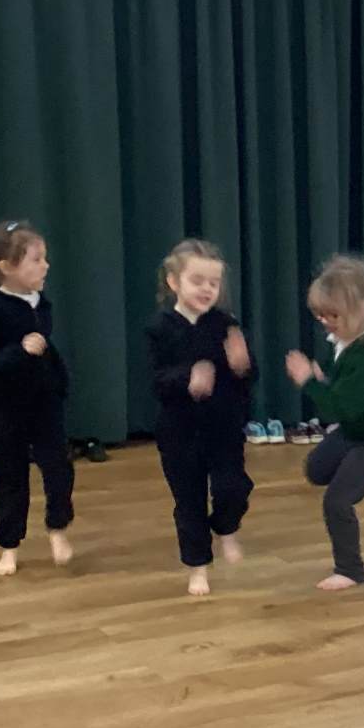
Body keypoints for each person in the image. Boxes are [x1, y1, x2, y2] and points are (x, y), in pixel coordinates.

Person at [0, 220, 74, 577]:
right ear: (7, 267)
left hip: (44, 405)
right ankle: (9, 545)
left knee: (58, 468)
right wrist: (19, 351)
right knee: (8, 478)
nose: (45, 266)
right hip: (3, 411)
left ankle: (58, 528)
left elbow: (46, 351)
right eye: (36, 260)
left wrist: (58, 381)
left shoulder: (42, 302)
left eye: (45, 258)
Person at [285, 255, 364, 591]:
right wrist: (324, 377)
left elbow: (343, 407)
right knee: (315, 470)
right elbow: (342, 383)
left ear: (362, 310)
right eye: (320, 315)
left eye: (332, 315)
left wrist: (309, 381)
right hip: (356, 427)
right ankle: (350, 469)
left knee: (337, 501)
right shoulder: (344, 340)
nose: (325, 322)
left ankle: (350, 570)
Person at [148, 240, 255, 597]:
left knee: (234, 489)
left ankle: (226, 527)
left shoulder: (225, 324)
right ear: (173, 282)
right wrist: (187, 379)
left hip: (223, 427)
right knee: (189, 501)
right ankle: (198, 566)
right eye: (197, 281)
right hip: (180, 432)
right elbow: (156, 380)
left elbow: (247, 378)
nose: (207, 289)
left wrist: (242, 365)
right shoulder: (160, 327)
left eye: (214, 282)